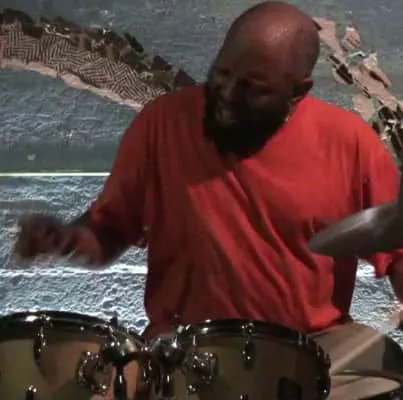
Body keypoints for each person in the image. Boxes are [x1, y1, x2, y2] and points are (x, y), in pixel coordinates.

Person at [13, 0, 403, 382]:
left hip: (314, 348)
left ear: (298, 92)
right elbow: (109, 230)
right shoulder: (163, 123)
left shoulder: (349, 143)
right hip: (185, 350)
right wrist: (67, 240)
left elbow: (398, 249)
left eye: (252, 88)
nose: (227, 95)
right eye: (222, 74)